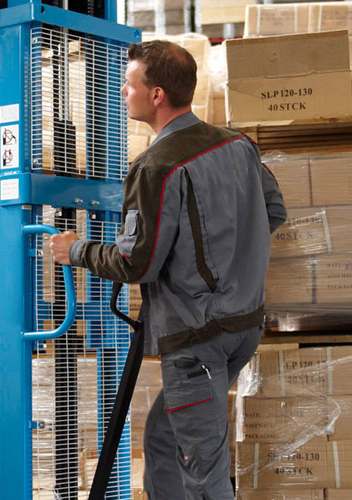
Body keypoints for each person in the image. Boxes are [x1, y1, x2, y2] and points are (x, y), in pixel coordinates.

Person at [49, 40, 287, 499]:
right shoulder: (238, 145)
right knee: (163, 437)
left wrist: (73, 250)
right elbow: (272, 211)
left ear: (156, 95)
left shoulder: (156, 165)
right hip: (243, 326)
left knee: (204, 472)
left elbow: (136, 262)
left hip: (197, 340)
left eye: (128, 83)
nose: (122, 91)